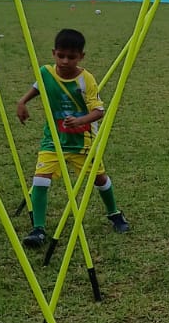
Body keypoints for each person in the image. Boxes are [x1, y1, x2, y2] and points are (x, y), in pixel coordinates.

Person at [15, 28, 128, 248]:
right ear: (53, 53)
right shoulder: (46, 72)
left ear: (81, 57)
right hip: (53, 139)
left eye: (71, 57)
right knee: (40, 179)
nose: (65, 61)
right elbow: (38, 86)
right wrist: (22, 102)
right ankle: (38, 229)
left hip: (82, 141)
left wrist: (80, 121)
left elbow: (99, 111)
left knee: (99, 179)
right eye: (61, 56)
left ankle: (114, 213)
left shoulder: (86, 79)